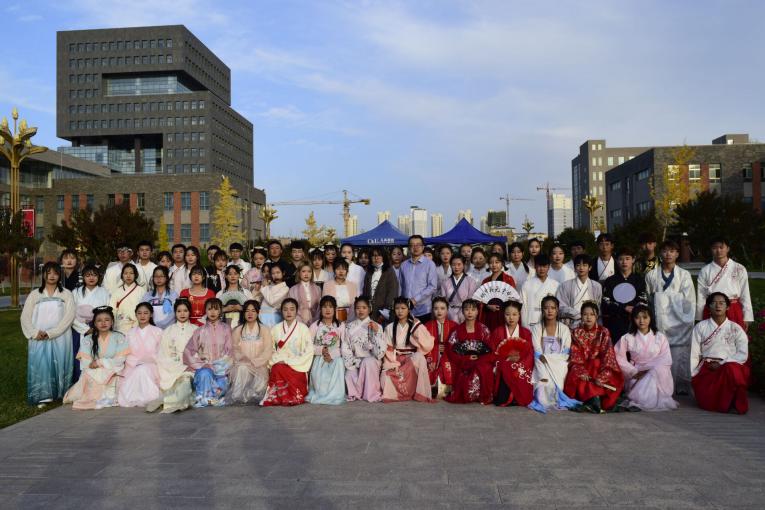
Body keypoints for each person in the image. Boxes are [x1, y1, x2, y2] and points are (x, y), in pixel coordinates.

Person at [21, 262, 76, 406]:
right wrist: (34, 333)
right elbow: (25, 317)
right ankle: (42, 395)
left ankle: (61, 393)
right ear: (43, 274)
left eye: (55, 273)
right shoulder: (35, 294)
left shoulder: (66, 294)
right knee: (41, 364)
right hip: (39, 337)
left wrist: (52, 333)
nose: (52, 276)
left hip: (61, 336)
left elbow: (69, 316)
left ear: (60, 275)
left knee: (60, 361)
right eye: (48, 272)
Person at [645, 240, 696, 395]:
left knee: (679, 354)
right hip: (658, 322)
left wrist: (661, 298)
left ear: (677, 254)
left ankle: (680, 386)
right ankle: (660, 385)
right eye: (665, 251)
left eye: (672, 251)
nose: (668, 254)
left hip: (679, 323)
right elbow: (648, 299)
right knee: (659, 353)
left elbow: (688, 301)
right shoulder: (651, 275)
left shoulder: (684, 275)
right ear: (660, 253)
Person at [691, 293, 749, 414]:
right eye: (714, 303)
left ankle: (733, 402)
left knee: (732, 369)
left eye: (722, 303)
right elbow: (694, 353)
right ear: (708, 307)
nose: (718, 306)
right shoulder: (700, 327)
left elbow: (743, 354)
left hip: (729, 366)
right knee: (706, 403)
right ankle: (723, 402)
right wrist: (694, 374)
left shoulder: (736, 328)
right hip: (708, 367)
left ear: (728, 307)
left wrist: (722, 363)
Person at [64, 306, 129, 410]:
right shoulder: (88, 339)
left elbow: (120, 359)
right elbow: (86, 362)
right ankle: (99, 398)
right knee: (90, 374)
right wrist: (98, 366)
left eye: (107, 320)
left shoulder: (120, 337)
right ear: (94, 323)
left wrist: (100, 362)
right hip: (94, 371)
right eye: (99, 320)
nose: (103, 323)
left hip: (114, 369)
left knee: (113, 375)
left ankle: (106, 398)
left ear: (112, 322)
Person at [614, 305, 678, 411]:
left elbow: (665, 358)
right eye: (637, 317)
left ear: (650, 318)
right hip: (636, 372)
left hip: (657, 372)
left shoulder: (660, 337)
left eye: (645, 317)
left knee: (653, 374)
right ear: (633, 319)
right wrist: (632, 371)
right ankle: (644, 400)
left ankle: (643, 401)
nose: (641, 321)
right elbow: (618, 356)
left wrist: (651, 369)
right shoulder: (627, 337)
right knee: (647, 377)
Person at [565, 302, 624, 413]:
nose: (588, 317)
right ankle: (593, 398)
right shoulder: (576, 332)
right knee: (577, 372)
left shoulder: (604, 332)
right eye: (585, 314)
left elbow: (608, 355)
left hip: (600, 367)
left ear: (597, 316)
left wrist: (602, 376)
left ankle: (594, 399)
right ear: (581, 316)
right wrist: (581, 371)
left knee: (595, 363)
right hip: (582, 367)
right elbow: (575, 354)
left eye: (592, 314)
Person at [529, 296, 579, 413]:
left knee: (560, 371)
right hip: (541, 363)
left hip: (559, 364)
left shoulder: (564, 329)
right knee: (543, 391)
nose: (549, 311)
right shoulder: (536, 328)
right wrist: (545, 359)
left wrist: (549, 359)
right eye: (546, 308)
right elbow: (537, 352)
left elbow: (565, 352)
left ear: (557, 310)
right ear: (542, 310)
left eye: (553, 308)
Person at [380, 297, 435, 402]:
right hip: (395, 360)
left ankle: (418, 393)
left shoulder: (415, 325)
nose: (400, 311)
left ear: (408, 310)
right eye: (397, 308)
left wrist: (416, 326)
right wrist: (393, 364)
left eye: (403, 308)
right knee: (384, 380)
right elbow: (388, 349)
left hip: (411, 360)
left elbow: (428, 344)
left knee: (419, 357)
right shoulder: (390, 327)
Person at [261, 298, 313, 406]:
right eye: (285, 309)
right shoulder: (275, 329)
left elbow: (308, 350)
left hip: (297, 364)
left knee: (282, 368)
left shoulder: (303, 328)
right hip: (279, 362)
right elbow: (270, 349)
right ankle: (280, 397)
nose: (289, 312)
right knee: (277, 368)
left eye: (292, 309)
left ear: (296, 311)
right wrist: (278, 360)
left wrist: (289, 361)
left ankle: (292, 396)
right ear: (281, 311)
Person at [149, 299, 197, 413]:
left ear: (189, 312)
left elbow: (200, 351)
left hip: (190, 367)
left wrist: (191, 364)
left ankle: (167, 401)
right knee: (175, 383)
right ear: (175, 313)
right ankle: (171, 400)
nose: (182, 314)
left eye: (185, 311)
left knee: (186, 381)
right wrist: (175, 366)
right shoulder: (168, 331)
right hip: (172, 367)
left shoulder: (196, 330)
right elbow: (162, 353)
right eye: (179, 311)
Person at [183, 298, 233, 407]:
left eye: (216, 309)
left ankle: (206, 398)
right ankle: (206, 398)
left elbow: (230, 350)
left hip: (222, 369)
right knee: (204, 374)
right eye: (209, 309)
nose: (212, 312)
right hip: (205, 367)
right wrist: (202, 363)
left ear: (220, 311)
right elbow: (188, 351)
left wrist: (221, 365)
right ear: (205, 311)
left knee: (222, 383)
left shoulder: (226, 329)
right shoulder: (199, 331)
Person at [695, 237, 752, 330]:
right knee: (711, 336)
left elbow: (745, 293)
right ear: (711, 249)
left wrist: (747, 317)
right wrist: (699, 317)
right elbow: (701, 296)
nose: (718, 250)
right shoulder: (705, 270)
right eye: (715, 248)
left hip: (733, 308)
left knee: (733, 337)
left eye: (721, 247)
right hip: (712, 309)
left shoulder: (739, 268)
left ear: (728, 248)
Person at [445, 299, 495, 404]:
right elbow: (450, 351)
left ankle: (482, 395)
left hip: (481, 361)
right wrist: (465, 358)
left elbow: (490, 351)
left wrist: (479, 358)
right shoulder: (456, 331)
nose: (470, 312)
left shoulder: (484, 330)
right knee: (464, 373)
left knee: (484, 368)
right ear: (462, 311)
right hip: (463, 362)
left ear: (477, 312)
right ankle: (469, 394)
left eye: (473, 309)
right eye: (467, 309)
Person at [228, 300, 273, 405]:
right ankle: (238, 395)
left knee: (259, 383)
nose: (250, 314)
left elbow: (268, 350)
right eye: (247, 311)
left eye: (253, 311)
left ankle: (250, 395)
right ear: (243, 313)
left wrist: (256, 361)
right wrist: (244, 359)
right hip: (243, 363)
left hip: (259, 365)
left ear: (258, 313)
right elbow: (234, 349)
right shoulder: (238, 330)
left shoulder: (265, 330)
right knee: (242, 368)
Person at [118, 302, 162, 407]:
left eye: (146, 313)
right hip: (132, 365)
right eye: (139, 313)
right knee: (139, 369)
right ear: (136, 315)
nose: (142, 316)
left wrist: (148, 360)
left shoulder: (158, 331)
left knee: (143, 369)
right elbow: (126, 353)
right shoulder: (130, 333)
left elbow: (161, 352)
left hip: (152, 365)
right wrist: (136, 362)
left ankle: (150, 397)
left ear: (151, 314)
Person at [71, 264, 110, 385]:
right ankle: (79, 384)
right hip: (79, 330)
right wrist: (85, 329)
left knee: (97, 356)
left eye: (94, 275)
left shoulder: (104, 292)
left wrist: (98, 327)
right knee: (80, 357)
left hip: (99, 329)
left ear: (99, 277)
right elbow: (71, 313)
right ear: (83, 277)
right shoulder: (76, 292)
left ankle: (96, 385)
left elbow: (108, 312)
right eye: (88, 275)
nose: (91, 278)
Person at [342, 296, 386, 402]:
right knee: (350, 374)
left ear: (369, 309)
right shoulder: (349, 327)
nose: (361, 310)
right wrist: (352, 362)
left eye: (364, 308)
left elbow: (380, 352)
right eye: (358, 308)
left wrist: (376, 332)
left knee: (367, 362)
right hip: (355, 360)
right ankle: (355, 394)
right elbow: (346, 346)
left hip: (371, 359)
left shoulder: (377, 326)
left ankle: (371, 394)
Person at [601, 248, 648, 344]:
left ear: (633, 260)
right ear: (616, 261)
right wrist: (623, 307)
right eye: (621, 259)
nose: (624, 262)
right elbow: (606, 302)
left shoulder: (639, 280)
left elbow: (643, 300)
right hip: (615, 322)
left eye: (627, 258)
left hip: (635, 321)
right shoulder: (610, 281)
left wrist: (634, 308)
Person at [492, 300, 534, 407]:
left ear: (519, 315)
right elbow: (493, 353)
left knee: (517, 369)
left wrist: (519, 358)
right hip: (503, 364)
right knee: (505, 367)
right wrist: (506, 359)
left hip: (521, 363)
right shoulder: (497, 332)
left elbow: (529, 353)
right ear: (503, 315)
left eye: (514, 314)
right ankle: (507, 397)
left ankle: (516, 397)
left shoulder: (526, 333)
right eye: (507, 314)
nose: (511, 318)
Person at [306, 296, 346, 405]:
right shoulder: (315, 326)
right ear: (320, 309)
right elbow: (308, 345)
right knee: (321, 385)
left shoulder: (340, 325)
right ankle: (321, 392)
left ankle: (336, 393)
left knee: (339, 362)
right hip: (320, 358)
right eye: (324, 307)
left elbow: (345, 345)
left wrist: (332, 355)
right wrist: (321, 350)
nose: (327, 309)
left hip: (335, 358)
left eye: (330, 307)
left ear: (335, 309)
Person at [556, 254, 602, 330]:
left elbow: (598, 308)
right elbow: (560, 307)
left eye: (584, 265)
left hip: (591, 323)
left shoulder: (596, 286)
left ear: (590, 267)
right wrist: (579, 314)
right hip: (571, 324)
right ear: (574, 268)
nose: (581, 268)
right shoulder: (565, 285)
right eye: (578, 265)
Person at [400, 235, 439, 322]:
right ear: (409, 248)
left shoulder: (430, 264)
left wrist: (415, 299)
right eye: (412, 245)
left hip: (424, 310)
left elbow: (432, 286)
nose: (415, 247)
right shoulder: (403, 265)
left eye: (418, 245)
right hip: (406, 311)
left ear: (423, 247)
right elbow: (401, 286)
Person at [424, 297, 457, 398]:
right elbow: (423, 345)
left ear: (447, 310)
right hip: (432, 358)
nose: (439, 311)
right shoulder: (427, 326)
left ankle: (447, 389)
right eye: (436, 308)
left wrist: (447, 349)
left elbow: (457, 346)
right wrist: (436, 348)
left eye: (442, 308)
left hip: (449, 358)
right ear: (432, 310)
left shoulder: (454, 326)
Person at [478, 254, 518, 332]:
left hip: (504, 313)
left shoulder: (508, 279)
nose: (494, 265)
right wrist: (488, 306)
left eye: (497, 262)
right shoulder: (485, 281)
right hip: (489, 314)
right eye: (491, 262)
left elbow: (513, 299)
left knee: (503, 334)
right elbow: (480, 300)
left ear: (502, 263)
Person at [520, 254, 559, 329]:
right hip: (531, 320)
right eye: (539, 266)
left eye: (544, 266)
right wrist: (524, 325)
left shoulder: (556, 285)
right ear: (535, 266)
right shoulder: (526, 284)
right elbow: (523, 307)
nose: (542, 269)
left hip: (550, 321)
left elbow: (557, 307)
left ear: (549, 267)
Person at [363, 247, 399, 324]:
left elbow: (392, 292)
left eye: (379, 255)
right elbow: (365, 292)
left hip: (384, 314)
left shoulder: (389, 271)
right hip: (370, 312)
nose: (376, 258)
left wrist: (385, 312)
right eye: (373, 256)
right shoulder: (369, 272)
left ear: (383, 257)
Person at [439, 255, 478, 323]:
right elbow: (443, 300)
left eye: (459, 264)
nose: (456, 267)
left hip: (466, 311)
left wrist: (463, 311)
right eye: (453, 264)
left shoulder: (471, 281)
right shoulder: (445, 282)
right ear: (450, 265)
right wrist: (450, 312)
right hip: (449, 311)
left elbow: (470, 299)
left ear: (464, 265)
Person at [109, 263, 142, 334]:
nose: (128, 276)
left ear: (135, 275)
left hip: (137, 325)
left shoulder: (141, 291)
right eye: (125, 273)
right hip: (120, 326)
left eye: (131, 273)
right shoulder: (116, 291)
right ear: (122, 275)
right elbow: (112, 309)